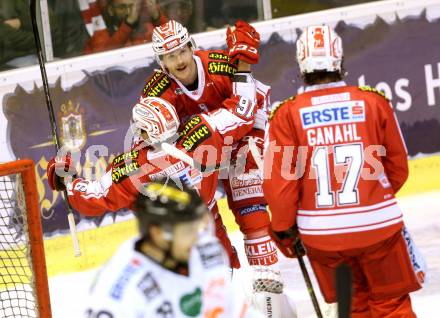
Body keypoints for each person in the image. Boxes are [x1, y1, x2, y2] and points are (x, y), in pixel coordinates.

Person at [263, 25, 424, 317]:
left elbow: (281, 187)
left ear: (301, 64)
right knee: (392, 306)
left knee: (353, 309)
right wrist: (371, 198)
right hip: (379, 229)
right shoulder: (373, 102)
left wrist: (285, 231)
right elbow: (398, 168)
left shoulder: (285, 115)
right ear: (340, 60)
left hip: (322, 238)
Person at [142, 20, 298, 317]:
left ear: (191, 46)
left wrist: (228, 134)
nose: (178, 60)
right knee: (202, 223)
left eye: (181, 51)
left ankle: (270, 293)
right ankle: (218, 289)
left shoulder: (219, 65)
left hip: (243, 138)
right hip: (199, 155)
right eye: (170, 56)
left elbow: (249, 108)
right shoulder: (157, 91)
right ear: (161, 62)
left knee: (251, 211)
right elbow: (147, 136)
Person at [84, 179, 263, 317]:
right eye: (187, 231)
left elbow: (234, 310)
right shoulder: (116, 292)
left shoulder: (205, 249)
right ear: (158, 234)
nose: (197, 239)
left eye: (197, 227)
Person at [83, 0, 167, 53]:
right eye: (122, 7)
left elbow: (175, 41)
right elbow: (103, 58)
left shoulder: (148, 28)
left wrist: (157, 16)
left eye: (132, 7)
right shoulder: (100, 33)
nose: (128, 12)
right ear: (111, 10)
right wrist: (128, 24)